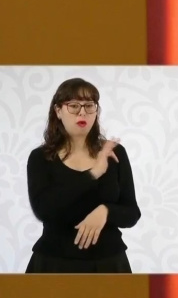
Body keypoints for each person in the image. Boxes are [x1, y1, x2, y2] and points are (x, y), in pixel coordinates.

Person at [24, 78, 141, 273]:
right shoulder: (41, 157)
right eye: (73, 105)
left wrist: (105, 211)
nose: (82, 112)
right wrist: (93, 174)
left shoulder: (115, 152)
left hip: (109, 263)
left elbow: (132, 213)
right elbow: (44, 210)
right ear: (58, 111)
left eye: (89, 105)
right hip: (53, 263)